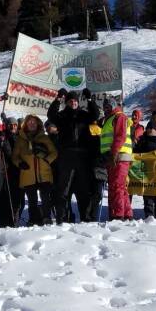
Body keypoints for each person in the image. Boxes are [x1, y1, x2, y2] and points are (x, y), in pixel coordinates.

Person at [47, 88, 100, 224]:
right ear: (67, 103)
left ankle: (85, 218)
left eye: (75, 101)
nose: (73, 103)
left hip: (82, 155)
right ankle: (62, 218)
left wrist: (89, 100)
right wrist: (58, 99)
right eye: (70, 101)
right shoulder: (62, 116)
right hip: (66, 155)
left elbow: (95, 114)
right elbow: (51, 115)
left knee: (84, 189)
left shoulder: (83, 115)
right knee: (64, 188)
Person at [12, 115, 58, 225]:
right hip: (28, 174)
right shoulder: (20, 139)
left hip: (44, 173)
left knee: (45, 198)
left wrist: (46, 160)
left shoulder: (44, 138)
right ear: (26, 124)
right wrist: (20, 163)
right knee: (32, 200)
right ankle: (33, 219)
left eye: (34, 122)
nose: (32, 124)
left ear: (38, 124)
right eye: (29, 122)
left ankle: (46, 217)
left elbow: (54, 153)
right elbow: (14, 156)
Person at [100, 97, 134, 221]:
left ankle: (118, 215)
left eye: (108, 106)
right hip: (114, 157)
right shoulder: (109, 119)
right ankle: (127, 214)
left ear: (114, 106)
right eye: (104, 106)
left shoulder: (119, 117)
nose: (106, 108)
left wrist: (113, 154)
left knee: (116, 186)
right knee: (120, 187)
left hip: (118, 156)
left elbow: (120, 136)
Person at [134, 125, 156, 218]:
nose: (149, 130)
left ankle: (153, 215)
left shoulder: (143, 141)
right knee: (154, 194)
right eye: (148, 128)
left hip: (151, 174)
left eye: (151, 128)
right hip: (155, 174)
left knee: (152, 194)